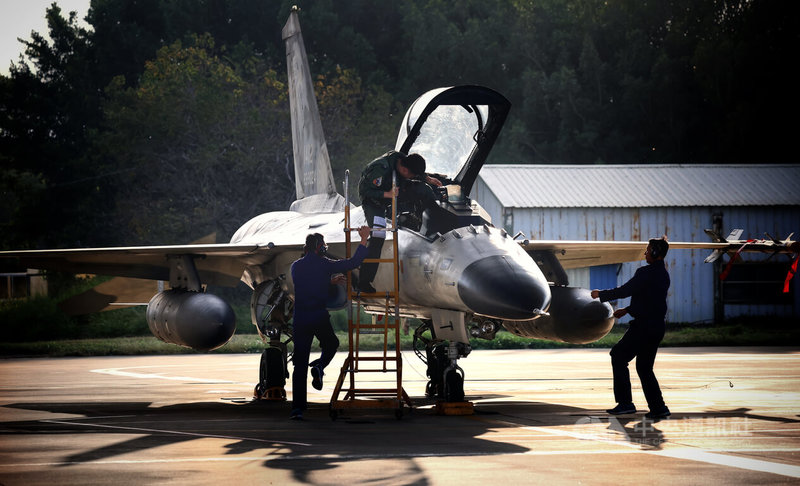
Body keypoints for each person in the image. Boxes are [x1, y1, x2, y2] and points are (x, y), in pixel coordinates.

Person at [289, 225, 371, 420]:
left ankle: (298, 410)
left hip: (300, 318)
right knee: (331, 344)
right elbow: (354, 262)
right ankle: (319, 366)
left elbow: (309, 282)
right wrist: (364, 239)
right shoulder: (325, 264)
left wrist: (328, 282)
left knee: (299, 364)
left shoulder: (295, 266)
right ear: (319, 248)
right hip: (318, 316)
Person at [590, 236, 672, 420]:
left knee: (618, 356)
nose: (645, 253)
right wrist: (628, 310)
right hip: (657, 326)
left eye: (648, 249)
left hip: (644, 327)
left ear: (656, 252)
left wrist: (600, 294)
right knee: (644, 368)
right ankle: (659, 408)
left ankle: (625, 404)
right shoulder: (663, 274)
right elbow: (650, 301)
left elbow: (625, 290)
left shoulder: (645, 272)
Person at [357, 150, 441, 293]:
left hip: (395, 191)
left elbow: (414, 173)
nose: (413, 177)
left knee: (424, 190)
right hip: (374, 202)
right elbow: (364, 191)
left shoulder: (403, 160)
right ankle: (364, 281)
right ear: (404, 170)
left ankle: (434, 226)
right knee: (378, 237)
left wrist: (428, 179)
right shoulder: (380, 169)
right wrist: (386, 194)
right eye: (412, 175)